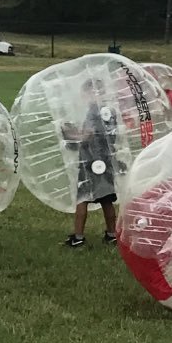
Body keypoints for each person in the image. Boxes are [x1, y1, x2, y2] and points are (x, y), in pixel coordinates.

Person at [63, 80, 120, 248]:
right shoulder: (109, 111)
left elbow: (87, 135)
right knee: (107, 198)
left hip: (91, 162)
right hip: (106, 159)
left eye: (86, 93)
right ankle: (112, 234)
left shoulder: (93, 111)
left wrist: (70, 134)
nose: (84, 96)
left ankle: (78, 237)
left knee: (83, 199)